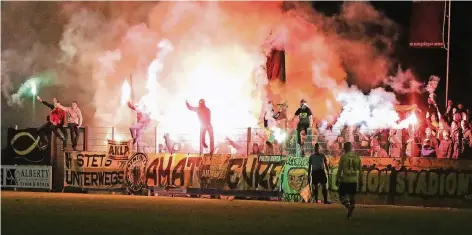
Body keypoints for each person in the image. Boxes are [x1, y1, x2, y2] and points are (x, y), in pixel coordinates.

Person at [336, 142, 362, 219]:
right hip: (354, 180)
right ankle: (350, 212)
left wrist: (337, 179)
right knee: (352, 197)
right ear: (351, 148)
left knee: (341, 196)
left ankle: (348, 207)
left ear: (344, 148)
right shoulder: (357, 157)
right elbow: (360, 170)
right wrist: (361, 180)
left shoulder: (343, 157)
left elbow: (340, 169)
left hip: (345, 179)